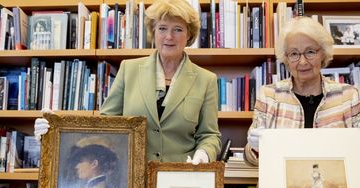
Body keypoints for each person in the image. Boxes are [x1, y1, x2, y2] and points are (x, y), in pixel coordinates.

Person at [34, 0, 221, 164]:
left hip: (178, 178)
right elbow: (106, 125)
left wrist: (203, 155)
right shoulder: (128, 70)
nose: (169, 36)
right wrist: (55, 129)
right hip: (130, 178)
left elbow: (209, 136)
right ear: (153, 32)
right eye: (162, 28)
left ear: (189, 35)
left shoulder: (206, 80)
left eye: (177, 29)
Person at [244, 17, 360, 188]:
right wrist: (254, 148)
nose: (302, 62)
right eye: (294, 53)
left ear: (323, 53)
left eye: (310, 52)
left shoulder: (348, 96)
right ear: (285, 58)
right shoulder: (269, 95)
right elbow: (252, 160)